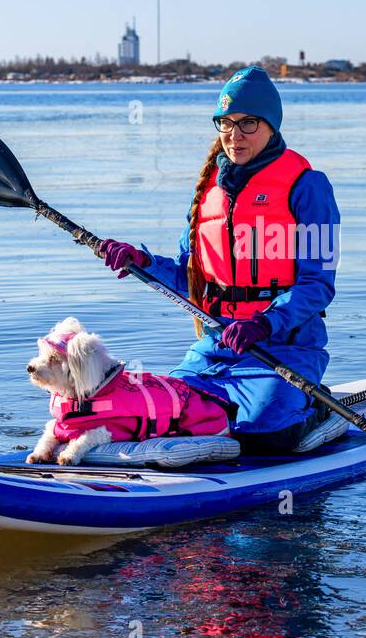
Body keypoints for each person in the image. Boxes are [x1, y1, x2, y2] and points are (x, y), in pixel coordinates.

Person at [97, 66, 344, 454]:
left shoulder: (308, 187)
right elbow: (189, 277)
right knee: (160, 419)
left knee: (265, 437)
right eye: (225, 123)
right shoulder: (207, 191)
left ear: (271, 126)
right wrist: (140, 261)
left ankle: (317, 407)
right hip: (214, 349)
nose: (235, 134)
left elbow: (318, 286)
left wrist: (264, 322)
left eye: (248, 123)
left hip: (285, 348)